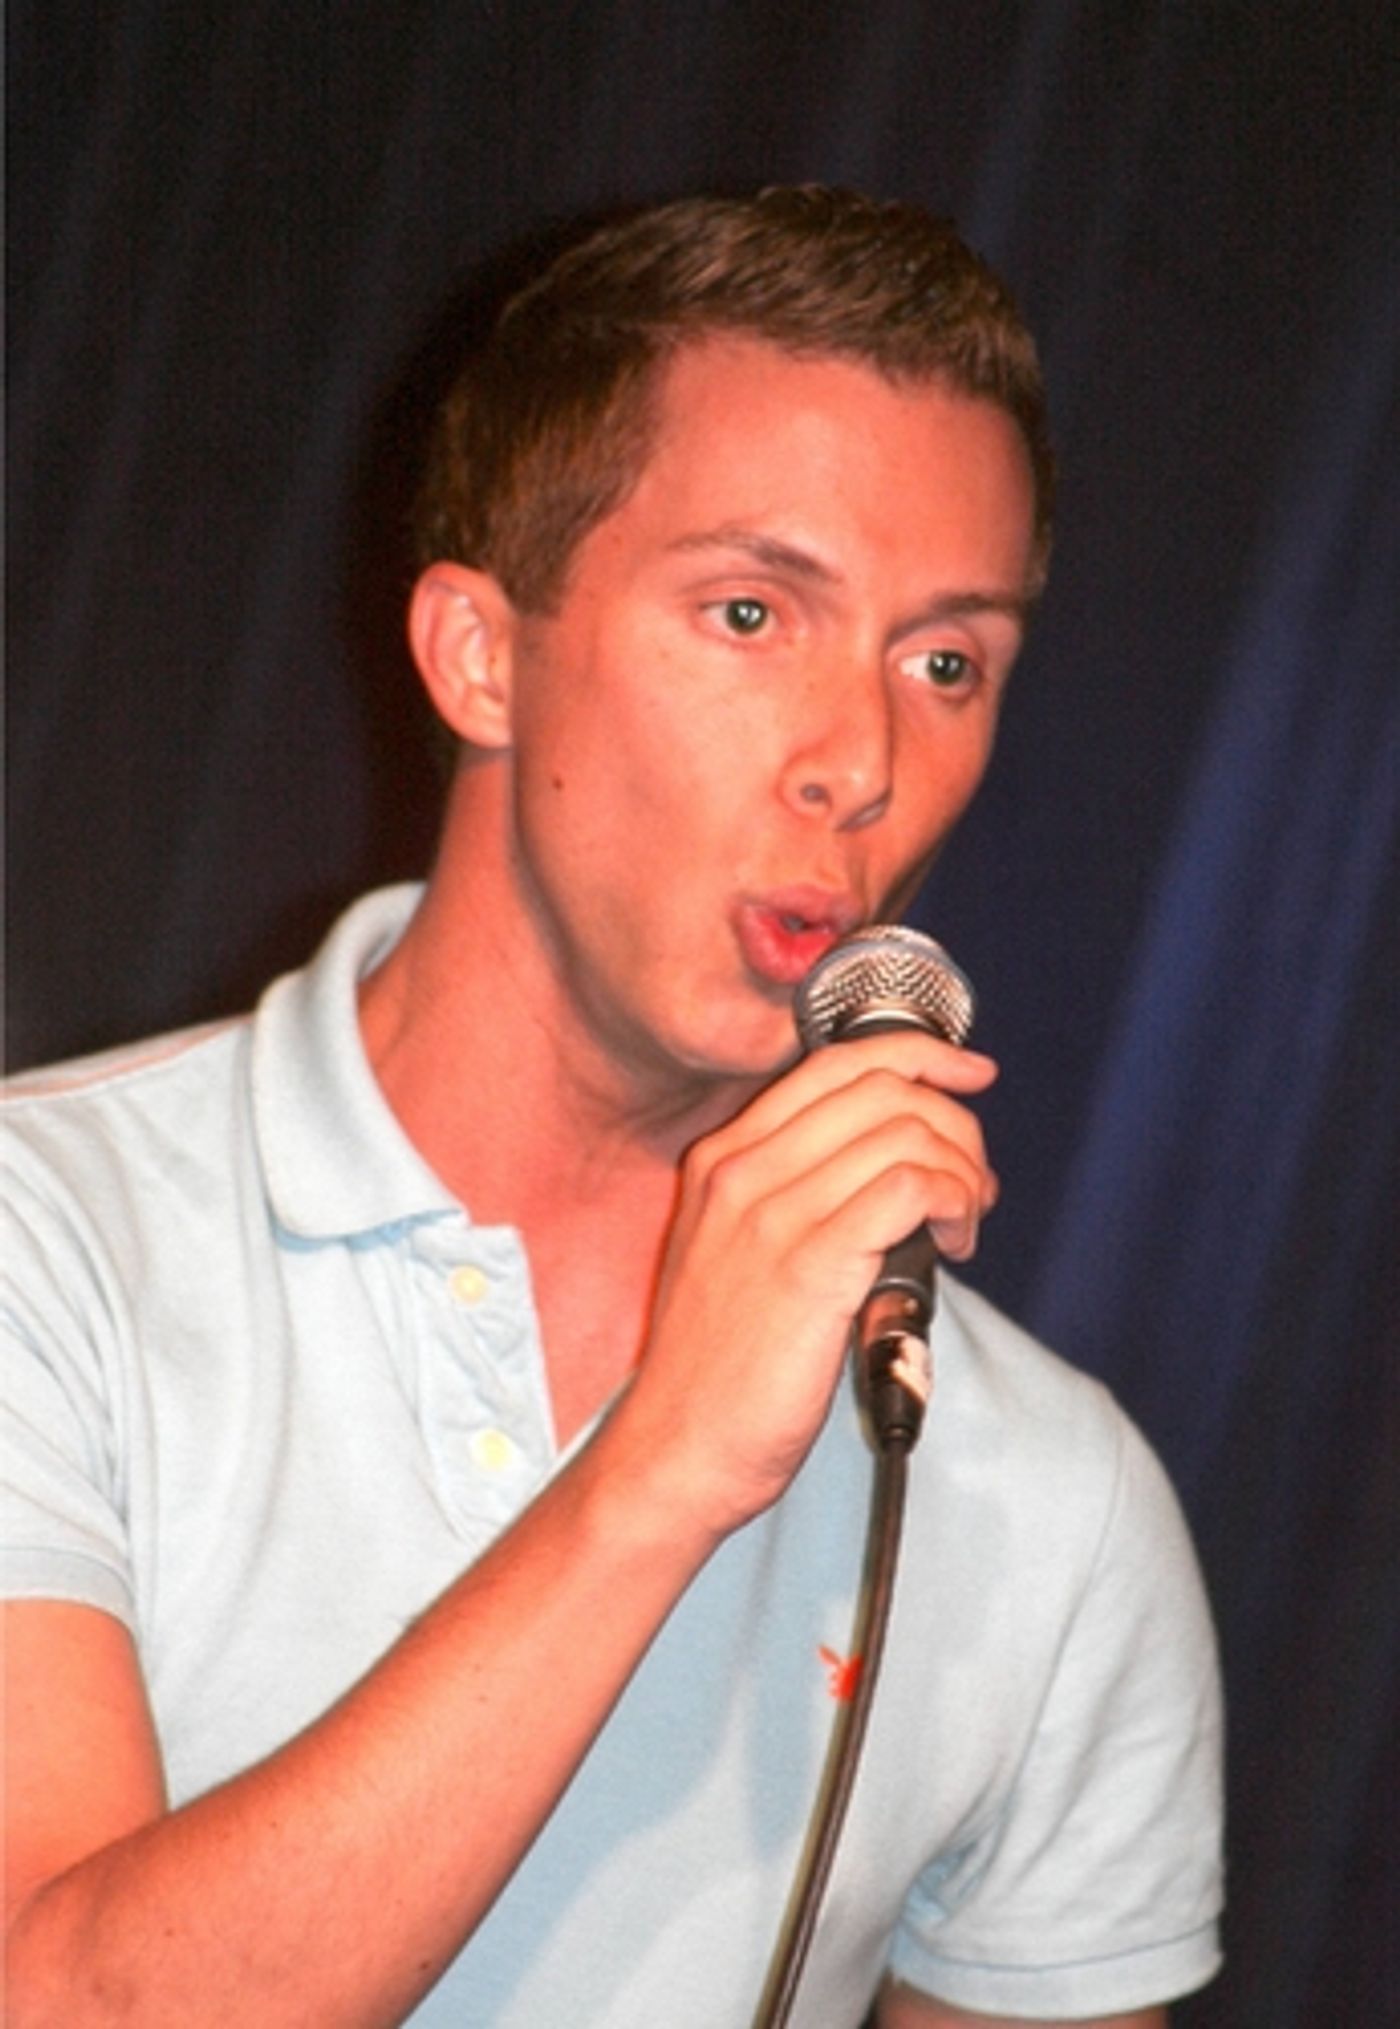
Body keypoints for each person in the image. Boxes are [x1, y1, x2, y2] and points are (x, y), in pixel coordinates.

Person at [2, 187, 1222, 2026]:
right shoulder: (47, 1240)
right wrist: (662, 1470)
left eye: (945, 661)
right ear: (481, 655)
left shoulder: (1044, 1498)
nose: (862, 760)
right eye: (751, 611)